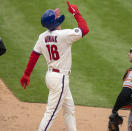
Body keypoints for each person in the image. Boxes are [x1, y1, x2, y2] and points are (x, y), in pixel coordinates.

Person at [20, 1, 89, 131]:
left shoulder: (42, 37)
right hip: (60, 79)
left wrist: (26, 74)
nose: (58, 18)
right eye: (56, 18)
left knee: (69, 109)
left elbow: (34, 56)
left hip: (52, 77)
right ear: (55, 23)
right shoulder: (64, 35)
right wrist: (75, 12)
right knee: (51, 114)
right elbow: (85, 29)